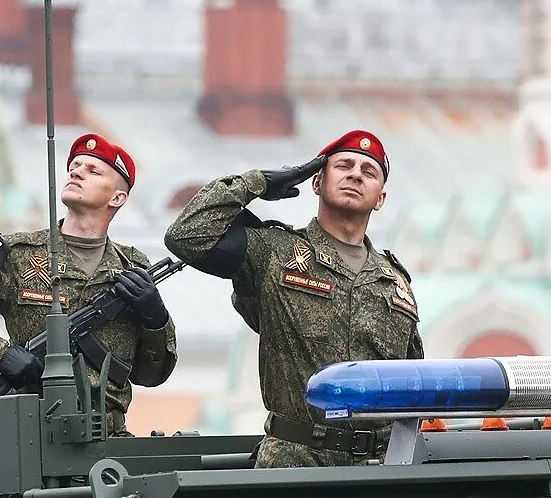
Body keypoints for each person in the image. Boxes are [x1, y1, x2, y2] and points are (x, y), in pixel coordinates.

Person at [164, 130, 423, 467]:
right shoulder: (274, 251)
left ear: (380, 198)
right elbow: (186, 236)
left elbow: (414, 378)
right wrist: (255, 182)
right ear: (316, 183)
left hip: (377, 465)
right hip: (295, 460)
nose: (356, 173)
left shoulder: (394, 281)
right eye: (344, 165)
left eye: (368, 171)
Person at [0, 133, 176, 435]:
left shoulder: (133, 269)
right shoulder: (17, 254)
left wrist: (156, 319)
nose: (76, 171)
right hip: (30, 437)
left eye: (92, 170)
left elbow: (151, 375)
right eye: (75, 166)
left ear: (117, 198)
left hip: (108, 439)